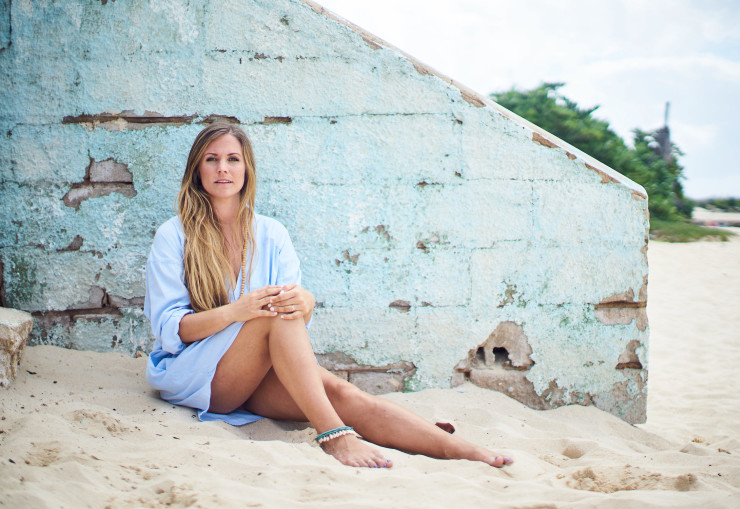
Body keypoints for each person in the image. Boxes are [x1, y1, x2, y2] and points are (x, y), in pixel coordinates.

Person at [144, 122, 513, 468]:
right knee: (273, 319)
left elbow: (292, 322)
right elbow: (172, 330)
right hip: (200, 378)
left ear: (246, 169)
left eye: (232, 159)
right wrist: (237, 312)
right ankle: (334, 437)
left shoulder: (272, 234)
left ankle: (458, 448)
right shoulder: (174, 235)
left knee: (340, 392)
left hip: (255, 375)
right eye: (212, 159)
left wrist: (306, 304)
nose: (222, 169)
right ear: (197, 169)